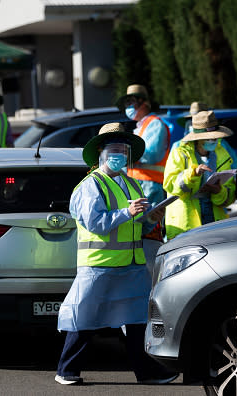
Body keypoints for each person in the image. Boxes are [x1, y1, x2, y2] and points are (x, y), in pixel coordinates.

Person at [55, 122, 178, 386]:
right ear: (100, 151)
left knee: (136, 322)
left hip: (130, 265)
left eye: (124, 149)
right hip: (99, 265)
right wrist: (128, 213)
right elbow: (95, 223)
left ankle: (147, 372)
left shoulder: (132, 185)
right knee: (85, 318)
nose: (120, 154)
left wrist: (151, 218)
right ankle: (66, 370)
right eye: (114, 148)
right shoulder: (90, 186)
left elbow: (137, 224)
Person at [115, 84, 170, 269]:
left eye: (132, 102)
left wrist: (128, 155)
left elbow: (152, 154)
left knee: (148, 233)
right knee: (141, 233)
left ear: (144, 103)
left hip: (150, 185)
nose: (129, 107)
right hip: (139, 185)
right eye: (127, 103)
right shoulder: (140, 127)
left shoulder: (154, 123)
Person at [163, 110, 237, 240]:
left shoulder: (222, 154)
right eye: (209, 137)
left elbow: (229, 197)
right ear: (198, 139)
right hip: (185, 226)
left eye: (215, 136)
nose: (213, 140)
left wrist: (219, 191)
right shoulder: (179, 153)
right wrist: (192, 174)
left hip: (214, 223)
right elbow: (170, 186)